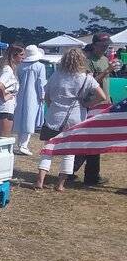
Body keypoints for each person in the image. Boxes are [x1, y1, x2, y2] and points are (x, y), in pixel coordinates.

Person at [34, 47, 106, 191]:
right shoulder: (86, 78)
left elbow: (47, 95)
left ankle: (40, 181)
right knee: (69, 152)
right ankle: (60, 184)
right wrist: (86, 104)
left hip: (54, 116)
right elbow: (102, 96)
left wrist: (53, 106)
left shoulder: (57, 75)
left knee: (48, 149)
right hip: (75, 117)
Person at [70, 32, 117, 186]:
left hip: (103, 103)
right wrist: (107, 71)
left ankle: (79, 172)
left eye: (107, 45)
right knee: (91, 141)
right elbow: (88, 83)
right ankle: (88, 175)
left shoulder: (104, 59)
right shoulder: (87, 60)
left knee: (95, 141)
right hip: (91, 104)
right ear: (95, 44)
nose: (105, 48)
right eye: (103, 45)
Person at [12, 45, 47, 155]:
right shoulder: (40, 66)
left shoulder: (20, 66)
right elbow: (41, 83)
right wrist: (42, 96)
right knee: (29, 119)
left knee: (21, 117)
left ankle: (20, 143)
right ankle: (23, 145)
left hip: (20, 94)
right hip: (33, 95)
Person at [0, 44, 24, 137]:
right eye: (21, 55)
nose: (23, 57)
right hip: (5, 109)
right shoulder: (8, 70)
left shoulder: (3, 68)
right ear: (14, 55)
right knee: (4, 138)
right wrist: (4, 97)